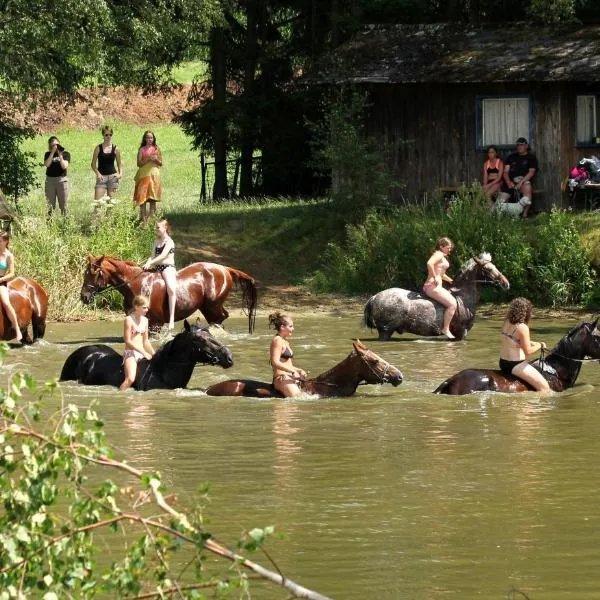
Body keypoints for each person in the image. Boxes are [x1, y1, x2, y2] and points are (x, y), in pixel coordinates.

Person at [499, 297, 550, 393]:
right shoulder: (522, 327)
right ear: (526, 312)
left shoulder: (506, 322)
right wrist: (540, 345)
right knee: (545, 389)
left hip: (503, 363)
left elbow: (512, 339)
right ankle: (530, 407)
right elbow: (528, 351)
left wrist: (531, 342)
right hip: (515, 365)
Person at [143, 218, 177, 331]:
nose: (156, 229)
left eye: (158, 227)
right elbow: (152, 256)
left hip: (167, 268)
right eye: (156, 227)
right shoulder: (156, 241)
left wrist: (151, 262)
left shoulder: (170, 241)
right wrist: (148, 262)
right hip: (157, 268)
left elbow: (162, 256)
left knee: (171, 289)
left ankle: (171, 319)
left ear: (165, 228)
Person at [422, 237, 457, 340]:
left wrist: (450, 280)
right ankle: (445, 329)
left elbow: (441, 273)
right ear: (441, 247)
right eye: (448, 248)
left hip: (435, 286)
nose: (449, 250)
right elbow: (429, 263)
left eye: (450, 248)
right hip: (431, 286)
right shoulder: (439, 254)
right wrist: (434, 276)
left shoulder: (442, 256)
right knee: (452, 304)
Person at [120, 295, 154, 391]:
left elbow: (146, 341)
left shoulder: (145, 321)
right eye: (144, 307)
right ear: (136, 307)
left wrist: (154, 353)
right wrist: (143, 352)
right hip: (131, 353)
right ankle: (120, 396)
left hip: (143, 353)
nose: (147, 310)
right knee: (130, 379)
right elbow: (128, 341)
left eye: (147, 307)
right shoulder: (128, 320)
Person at [269, 311, 308, 397]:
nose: (293, 329)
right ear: (282, 327)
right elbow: (275, 362)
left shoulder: (285, 341)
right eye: (290, 326)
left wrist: (299, 370)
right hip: (281, 378)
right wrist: (293, 371)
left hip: (290, 376)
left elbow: (286, 364)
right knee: (299, 398)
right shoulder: (277, 340)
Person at [497, 137, 538, 218]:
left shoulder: (531, 158)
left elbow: (531, 172)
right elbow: (505, 172)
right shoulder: (511, 157)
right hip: (510, 182)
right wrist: (508, 183)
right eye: (518, 145)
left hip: (523, 182)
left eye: (522, 145)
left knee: (527, 187)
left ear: (526, 146)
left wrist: (521, 182)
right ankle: (500, 216)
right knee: (500, 201)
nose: (519, 147)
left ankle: (524, 214)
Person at [133, 130, 162, 225]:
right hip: (144, 176)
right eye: (148, 137)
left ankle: (151, 220)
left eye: (151, 137)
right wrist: (148, 159)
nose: (149, 139)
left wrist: (156, 159)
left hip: (154, 176)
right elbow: (139, 163)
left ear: (153, 139)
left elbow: (161, 163)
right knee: (143, 198)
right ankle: (144, 221)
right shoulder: (142, 149)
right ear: (144, 139)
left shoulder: (157, 149)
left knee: (153, 198)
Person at [90, 125, 122, 206]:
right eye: (106, 135)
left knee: (111, 204)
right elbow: (93, 164)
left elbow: (119, 164)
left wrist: (120, 174)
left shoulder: (116, 148)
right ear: (103, 135)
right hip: (101, 178)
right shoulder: (98, 148)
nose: (108, 136)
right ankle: (96, 219)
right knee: (97, 204)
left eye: (110, 134)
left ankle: (109, 218)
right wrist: (98, 173)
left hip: (113, 178)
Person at [0, 231, 23, 342]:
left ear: (6, 242)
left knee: (6, 303)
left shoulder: (9, 256)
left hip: (1, 281)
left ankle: (17, 328)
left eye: (0, 241)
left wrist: (0, 279)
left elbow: (12, 273)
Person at [44, 136, 70, 216]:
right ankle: (50, 225)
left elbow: (64, 166)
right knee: (50, 206)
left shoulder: (66, 154)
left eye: (57, 145)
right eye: (53, 146)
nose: (55, 147)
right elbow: (47, 164)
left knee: (64, 206)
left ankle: (65, 224)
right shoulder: (47, 154)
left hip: (61, 181)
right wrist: (52, 153)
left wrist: (60, 155)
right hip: (50, 181)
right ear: (50, 146)